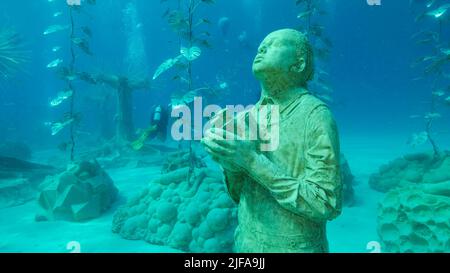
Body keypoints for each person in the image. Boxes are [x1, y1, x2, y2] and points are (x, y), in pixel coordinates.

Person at [201, 29, 342, 253]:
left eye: (275, 44)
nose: (262, 48)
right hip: (246, 243)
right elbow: (240, 196)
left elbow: (325, 203)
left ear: (298, 64)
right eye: (261, 45)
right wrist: (228, 161)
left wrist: (250, 160)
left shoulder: (315, 114)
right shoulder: (247, 117)